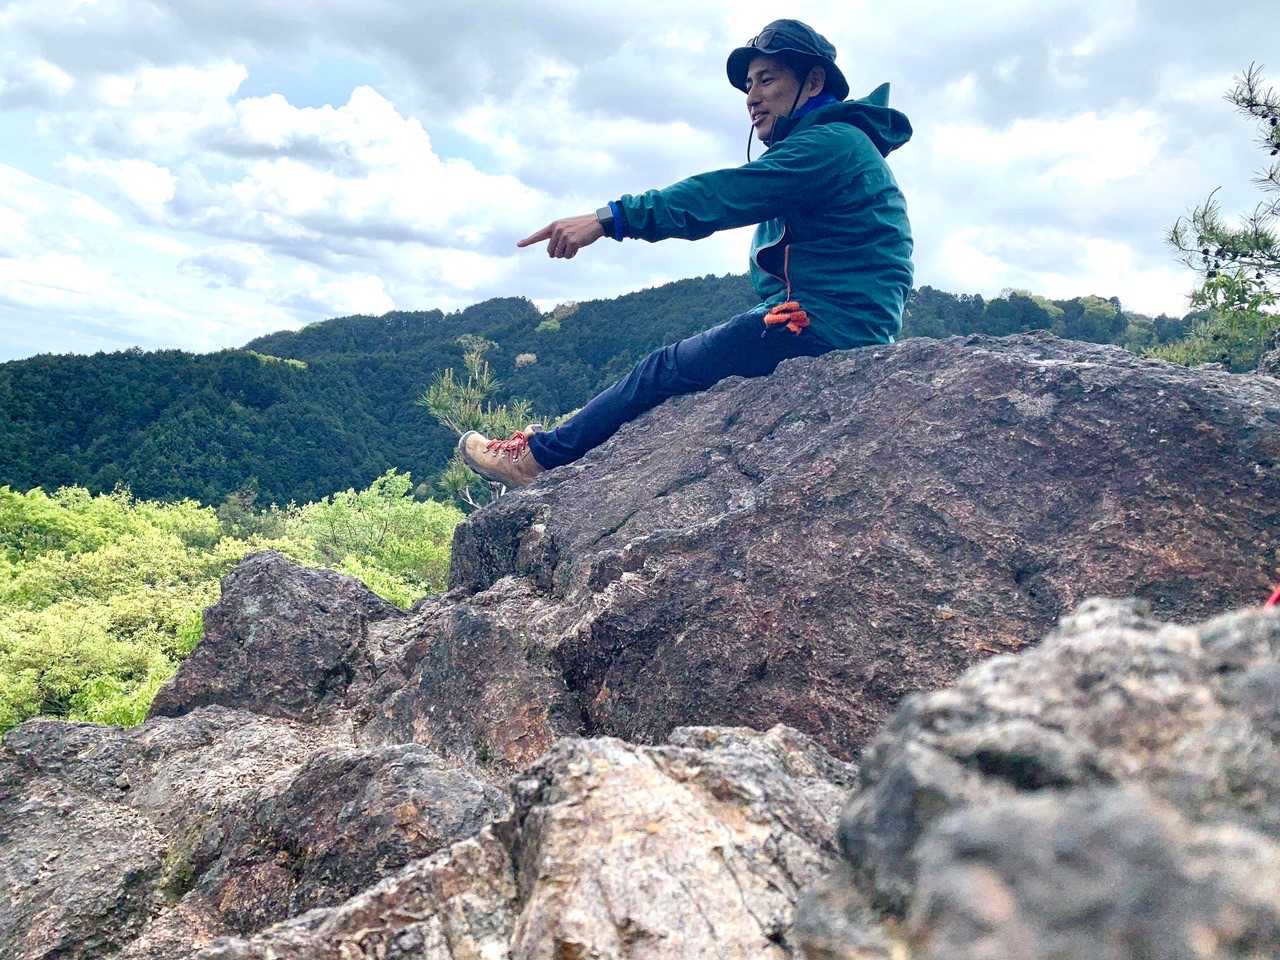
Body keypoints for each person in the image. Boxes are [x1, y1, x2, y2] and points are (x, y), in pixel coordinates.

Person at [459, 18, 914, 488]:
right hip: (834, 317)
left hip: (821, 324)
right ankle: (555, 447)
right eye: (748, 85)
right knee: (683, 364)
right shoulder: (837, 143)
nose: (752, 98)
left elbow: (717, 196)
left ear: (813, 82)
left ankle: (536, 460)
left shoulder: (829, 145)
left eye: (767, 80)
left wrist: (609, 218)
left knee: (662, 368)